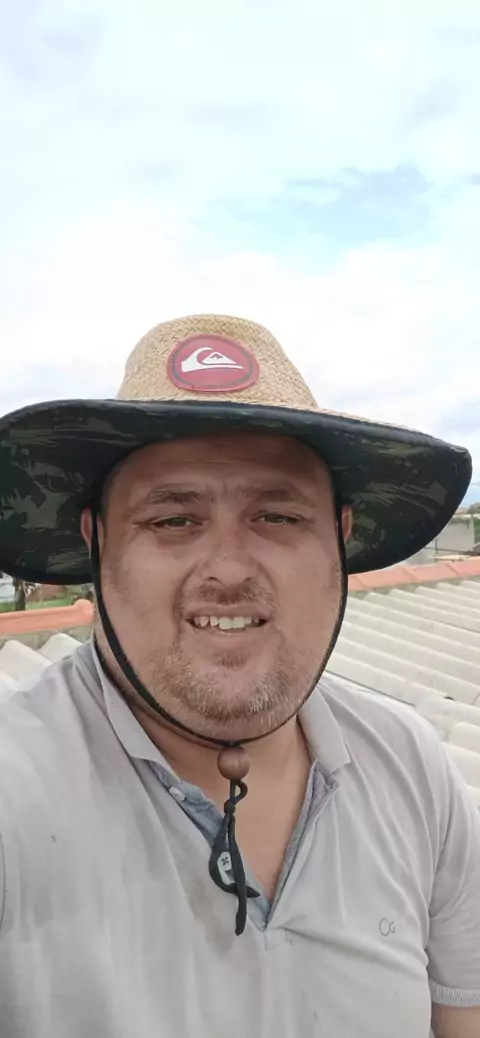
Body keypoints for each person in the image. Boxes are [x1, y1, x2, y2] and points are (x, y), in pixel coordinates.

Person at [0, 314, 478, 1038]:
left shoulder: (413, 769)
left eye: (278, 516)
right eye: (172, 521)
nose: (227, 569)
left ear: (340, 539)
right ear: (98, 543)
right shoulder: (17, 791)